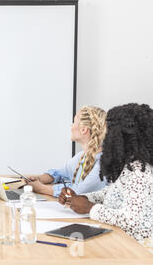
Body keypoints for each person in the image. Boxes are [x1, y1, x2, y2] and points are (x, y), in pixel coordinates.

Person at [59, 103, 153, 244]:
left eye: (109, 131)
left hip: (136, 250)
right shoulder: (130, 164)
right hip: (120, 240)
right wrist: (82, 198)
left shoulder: (139, 172)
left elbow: (132, 221)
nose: (105, 135)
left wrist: (90, 207)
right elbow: (111, 193)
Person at [25, 106, 107, 197]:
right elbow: (60, 173)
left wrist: (41, 188)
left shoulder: (104, 163)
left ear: (83, 130)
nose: (71, 126)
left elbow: (78, 191)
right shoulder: (81, 157)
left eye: (74, 122)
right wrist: (39, 179)